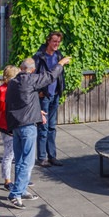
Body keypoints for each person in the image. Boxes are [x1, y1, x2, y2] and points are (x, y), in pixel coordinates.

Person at [6, 54, 71, 209]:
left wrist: (37, 112)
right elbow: (50, 76)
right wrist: (61, 63)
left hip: (16, 126)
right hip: (27, 127)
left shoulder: (12, 83)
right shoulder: (31, 80)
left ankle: (21, 190)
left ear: (21, 68)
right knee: (27, 163)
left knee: (20, 160)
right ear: (33, 70)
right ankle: (15, 194)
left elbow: (22, 102)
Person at [34, 31, 67, 168]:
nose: (56, 44)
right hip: (44, 96)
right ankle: (41, 158)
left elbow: (60, 74)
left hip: (55, 95)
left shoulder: (59, 55)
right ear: (48, 41)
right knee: (43, 127)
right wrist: (39, 92)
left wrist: (60, 89)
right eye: (54, 41)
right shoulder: (39, 56)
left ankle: (52, 156)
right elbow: (33, 76)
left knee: (52, 127)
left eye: (58, 42)